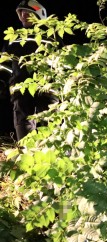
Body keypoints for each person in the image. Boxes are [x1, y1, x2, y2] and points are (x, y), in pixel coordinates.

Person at [1, 0, 55, 140]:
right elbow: (4, 63)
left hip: (47, 88)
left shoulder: (50, 36)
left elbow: (62, 62)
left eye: (28, 12)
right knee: (23, 128)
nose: (23, 15)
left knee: (50, 128)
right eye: (21, 12)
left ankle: (53, 158)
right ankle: (27, 156)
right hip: (21, 88)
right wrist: (2, 82)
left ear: (38, 14)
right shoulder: (13, 38)